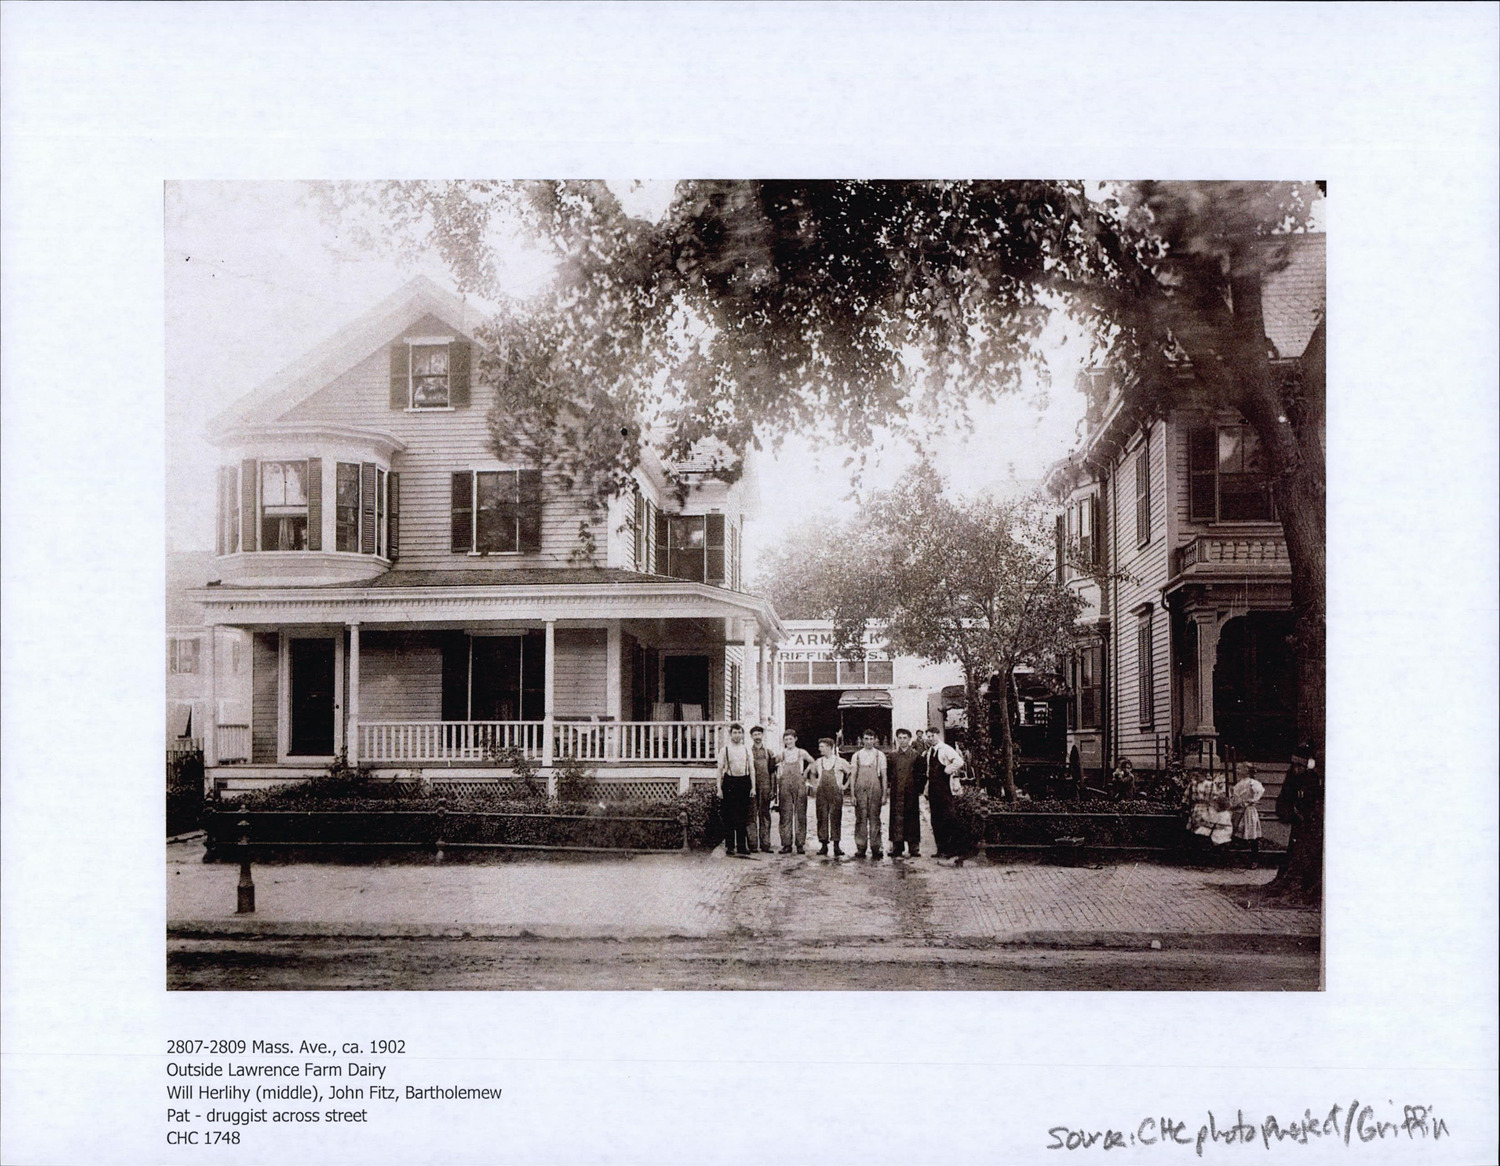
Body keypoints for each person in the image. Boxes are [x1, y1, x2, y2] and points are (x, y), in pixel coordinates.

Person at [923, 728, 966, 861]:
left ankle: (951, 850)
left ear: (938, 735)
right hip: (933, 789)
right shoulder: (930, 752)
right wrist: (927, 788)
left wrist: (948, 769)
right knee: (935, 819)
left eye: (932, 736)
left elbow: (959, 761)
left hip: (945, 789)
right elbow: (929, 772)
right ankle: (940, 849)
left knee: (947, 818)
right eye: (928, 736)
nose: (930, 738)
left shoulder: (945, 749)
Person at [716, 723, 755, 857]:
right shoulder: (725, 750)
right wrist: (719, 789)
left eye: (739, 732)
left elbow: (752, 769)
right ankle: (730, 846)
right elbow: (719, 770)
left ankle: (742, 846)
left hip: (744, 782)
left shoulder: (746, 749)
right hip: (730, 783)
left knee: (742, 816)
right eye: (735, 733)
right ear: (730, 734)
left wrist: (753, 787)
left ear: (742, 734)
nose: (737, 735)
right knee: (729, 816)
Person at [848, 730, 888, 859]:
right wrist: (852, 795)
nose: (869, 741)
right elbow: (853, 776)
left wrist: (884, 795)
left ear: (875, 740)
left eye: (871, 739)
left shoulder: (880, 755)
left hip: (875, 789)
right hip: (860, 789)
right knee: (861, 818)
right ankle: (861, 847)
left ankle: (876, 847)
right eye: (866, 739)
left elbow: (884, 776)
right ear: (862, 740)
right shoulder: (856, 756)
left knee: (875, 818)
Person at [775, 730, 815, 854]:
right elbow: (772, 763)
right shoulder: (782, 753)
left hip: (799, 785)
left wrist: (805, 773)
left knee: (800, 814)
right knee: (785, 814)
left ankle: (800, 844)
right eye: (786, 739)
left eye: (790, 739)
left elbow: (812, 761)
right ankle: (786, 844)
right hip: (785, 786)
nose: (788, 742)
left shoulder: (801, 752)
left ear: (795, 739)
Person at [810, 737, 851, 857]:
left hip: (836, 794)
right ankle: (823, 845)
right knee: (821, 817)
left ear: (829, 747)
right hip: (821, 794)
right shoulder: (818, 762)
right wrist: (814, 785)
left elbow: (851, 773)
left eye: (822, 747)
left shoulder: (840, 761)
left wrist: (845, 786)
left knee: (836, 818)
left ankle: (836, 845)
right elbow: (812, 773)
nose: (819, 749)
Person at [887, 728, 924, 857]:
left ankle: (914, 847)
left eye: (905, 738)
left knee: (912, 818)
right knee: (896, 818)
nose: (902, 740)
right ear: (897, 739)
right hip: (896, 791)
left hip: (911, 792)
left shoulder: (916, 755)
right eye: (900, 738)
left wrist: (918, 789)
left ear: (909, 739)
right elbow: (889, 774)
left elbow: (921, 774)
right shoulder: (892, 756)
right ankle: (897, 847)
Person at [746, 726, 778, 853]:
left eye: (759, 734)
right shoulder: (748, 752)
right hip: (751, 787)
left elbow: (772, 772)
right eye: (755, 735)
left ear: (762, 735)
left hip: (765, 787)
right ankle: (753, 845)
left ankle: (765, 844)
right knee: (751, 815)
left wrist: (773, 789)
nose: (757, 737)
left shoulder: (769, 753)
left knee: (765, 815)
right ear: (751, 737)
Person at [1229, 768, 1266, 868]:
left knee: (1253, 835)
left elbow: (1258, 794)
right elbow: (1235, 798)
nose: (1239, 772)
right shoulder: (1239, 784)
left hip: (1249, 810)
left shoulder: (1253, 784)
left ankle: (1254, 859)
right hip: (1238, 810)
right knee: (1236, 832)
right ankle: (1235, 858)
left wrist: (1251, 801)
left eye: (1241, 770)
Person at [1184, 769, 1232, 846]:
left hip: (1206, 807)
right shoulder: (1192, 784)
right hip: (1195, 806)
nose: (1196, 777)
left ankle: (1205, 841)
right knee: (1193, 824)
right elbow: (1187, 795)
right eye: (1194, 776)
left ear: (1203, 775)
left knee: (1204, 823)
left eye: (1197, 775)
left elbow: (1215, 796)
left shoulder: (1210, 784)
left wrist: (1213, 806)